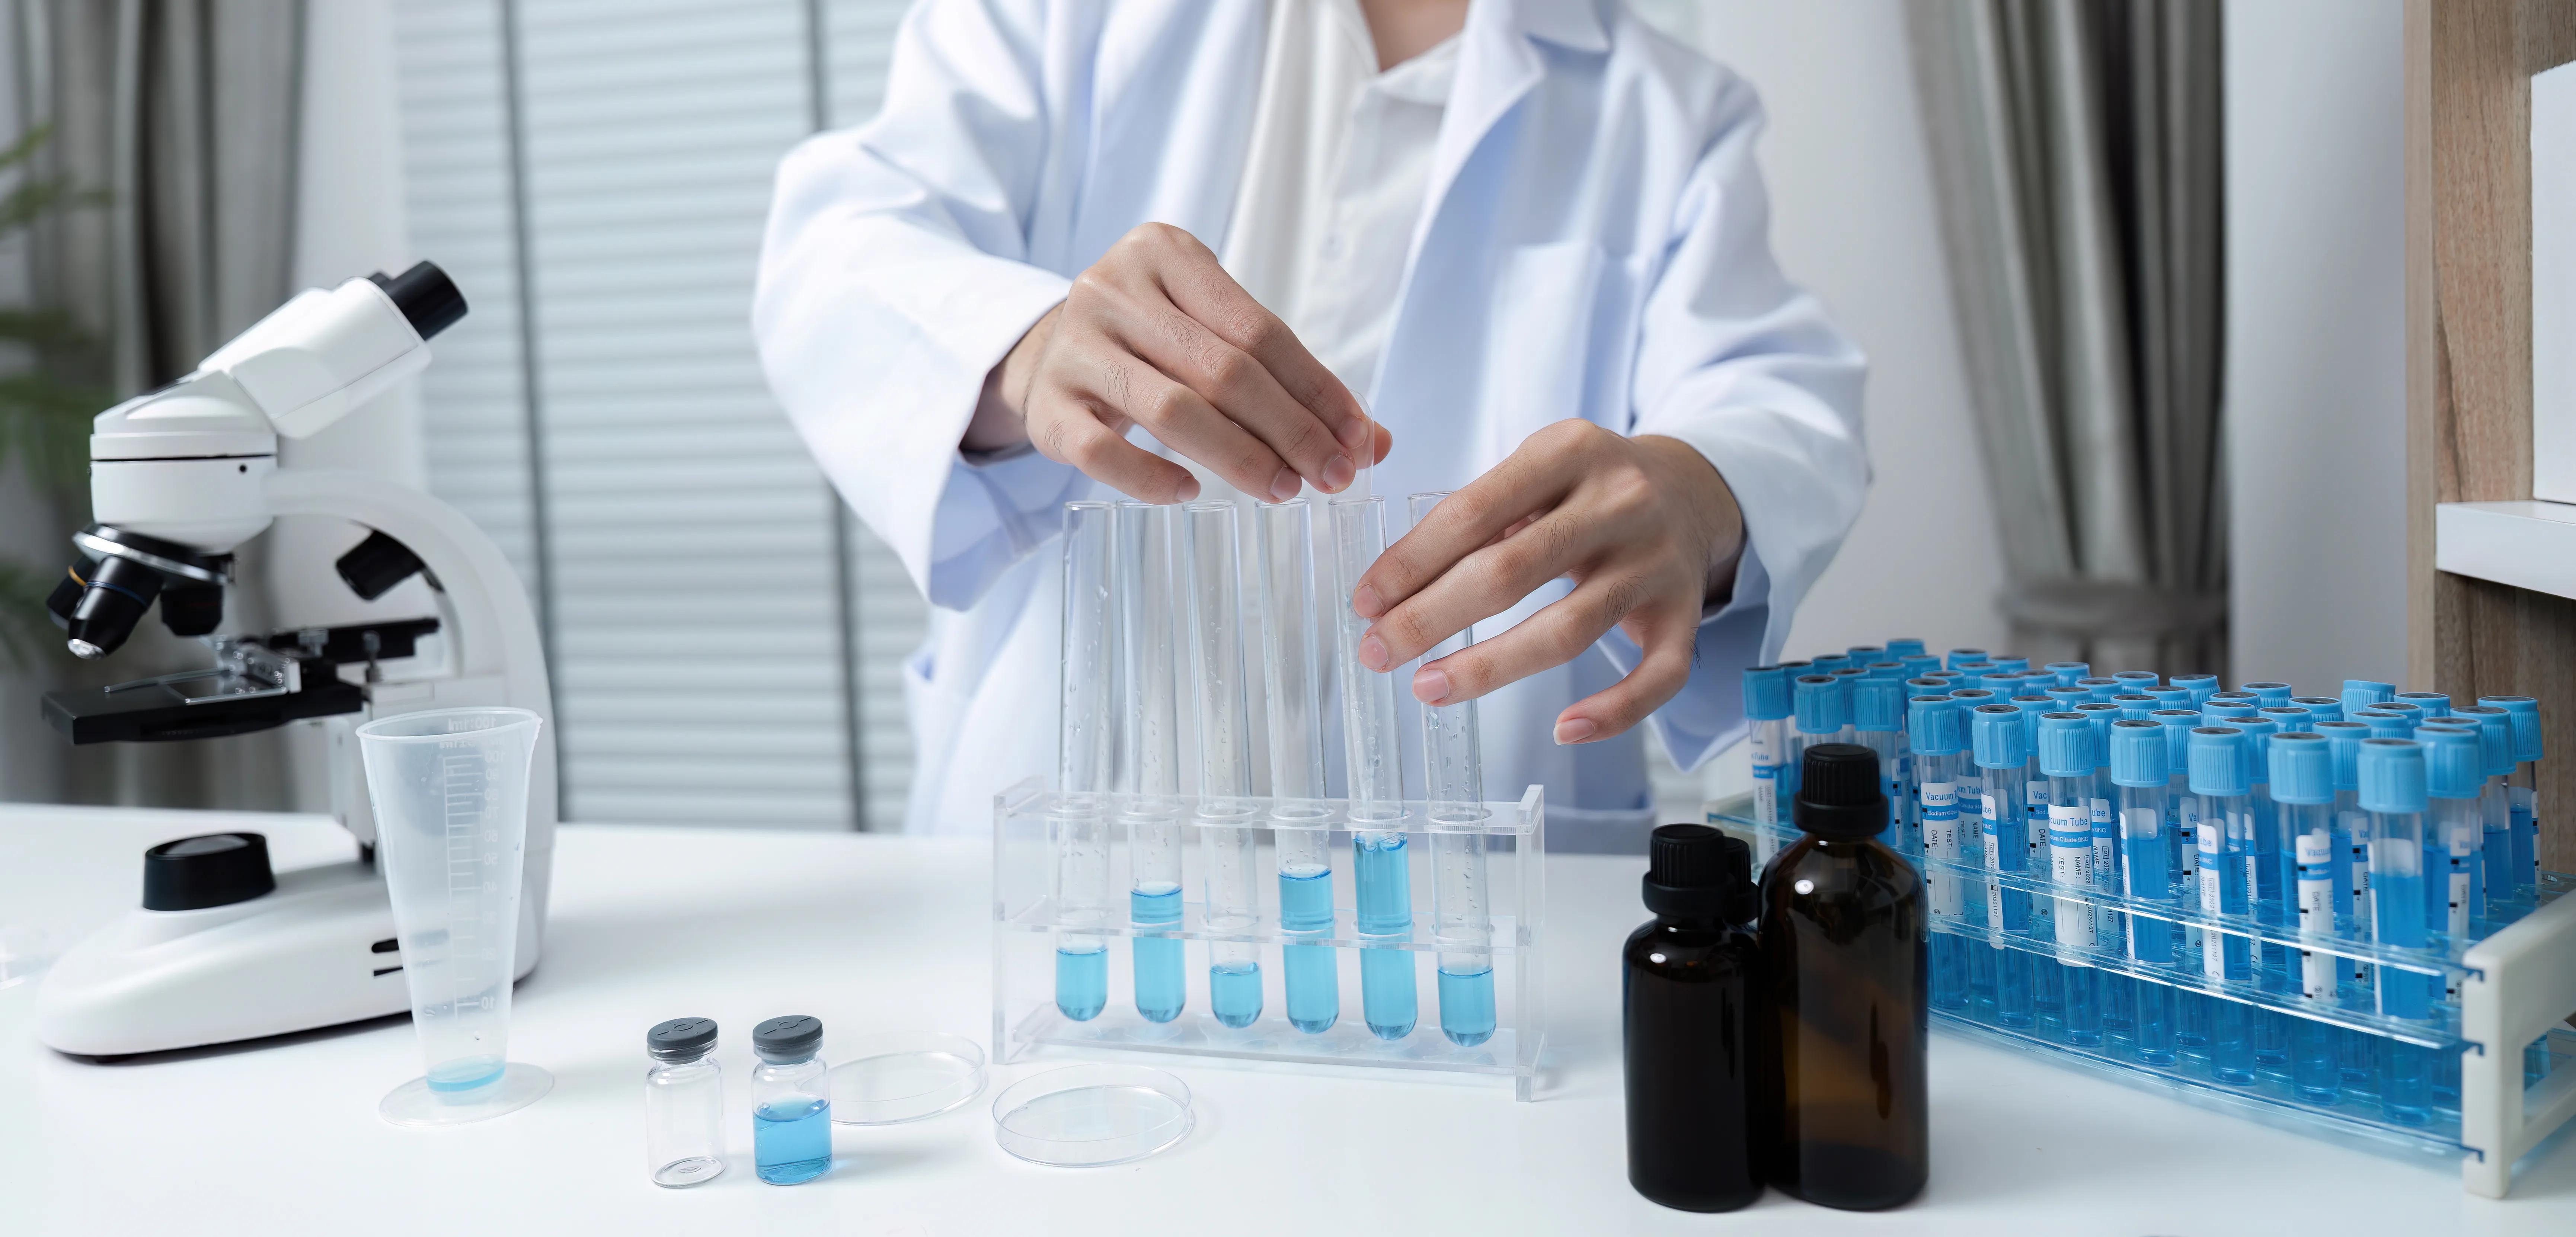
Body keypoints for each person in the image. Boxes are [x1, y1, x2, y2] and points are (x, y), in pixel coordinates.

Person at [754, 0, 1866, 843]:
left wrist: (1694, 489)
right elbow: (839, 247)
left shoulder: (1664, 118)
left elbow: (1774, 396)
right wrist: (1026, 346)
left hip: (1459, 908)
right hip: (1069, 858)